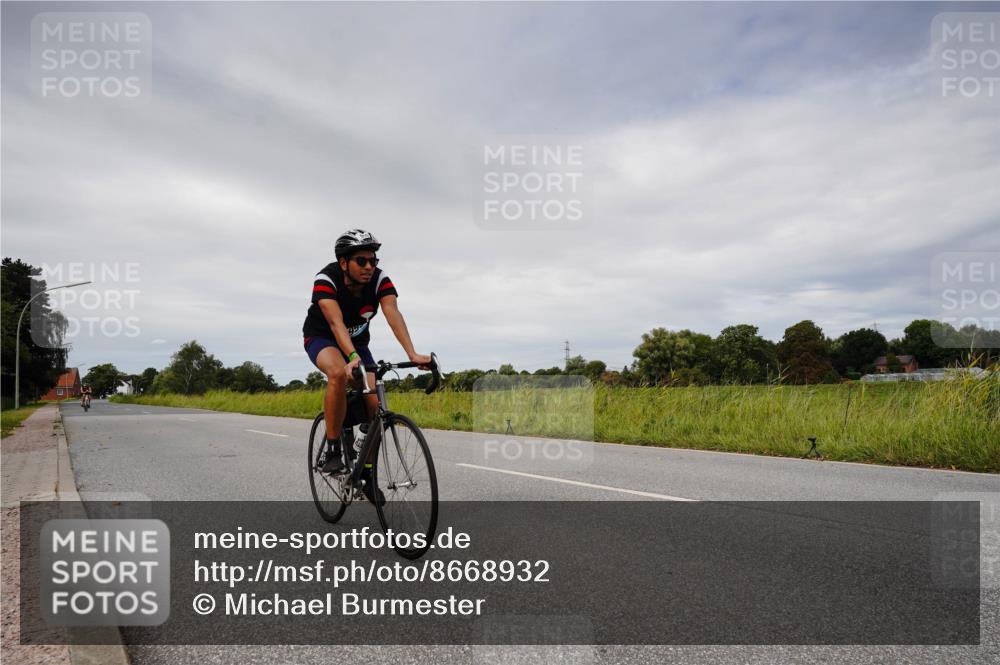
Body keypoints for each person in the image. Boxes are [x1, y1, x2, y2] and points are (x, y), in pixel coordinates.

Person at [302, 229, 431, 503]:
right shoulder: (326, 280)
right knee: (338, 373)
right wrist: (350, 357)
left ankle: (367, 475)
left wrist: (412, 352)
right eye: (362, 261)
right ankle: (334, 449)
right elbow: (336, 324)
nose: (370, 266)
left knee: (376, 409)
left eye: (373, 260)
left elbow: (392, 313)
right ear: (344, 263)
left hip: (358, 345)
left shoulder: (380, 280)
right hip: (322, 338)